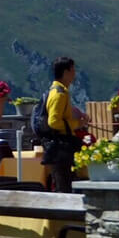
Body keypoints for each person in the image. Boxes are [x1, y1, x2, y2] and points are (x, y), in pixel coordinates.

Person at [42, 56, 86, 193]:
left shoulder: (56, 90)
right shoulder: (59, 94)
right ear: (66, 72)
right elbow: (54, 121)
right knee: (64, 186)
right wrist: (77, 124)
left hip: (61, 147)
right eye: (72, 70)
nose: (74, 74)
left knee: (65, 184)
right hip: (61, 148)